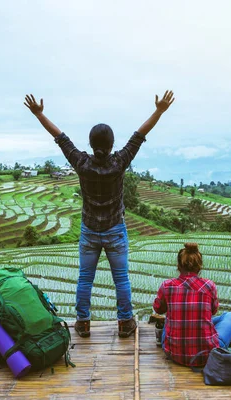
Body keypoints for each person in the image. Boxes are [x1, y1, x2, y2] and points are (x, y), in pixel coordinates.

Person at [24, 91, 175, 338]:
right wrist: (159, 110)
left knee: (85, 279)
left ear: (92, 145)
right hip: (115, 229)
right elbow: (139, 135)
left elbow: (60, 137)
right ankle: (125, 323)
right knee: (121, 279)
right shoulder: (119, 162)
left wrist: (39, 114)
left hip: (89, 231)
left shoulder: (82, 163)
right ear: (112, 145)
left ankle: (83, 323)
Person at [152, 242, 231, 367]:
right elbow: (213, 311)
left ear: (178, 265)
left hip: (174, 353)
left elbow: (158, 309)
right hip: (207, 354)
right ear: (199, 266)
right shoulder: (209, 286)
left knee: (168, 320)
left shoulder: (167, 286)